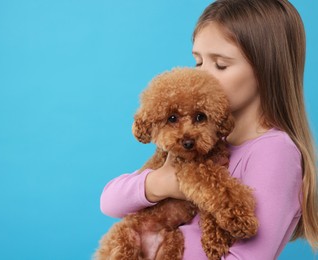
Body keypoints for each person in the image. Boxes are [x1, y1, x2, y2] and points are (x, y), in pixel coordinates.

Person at [99, 0, 318, 259]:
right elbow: (110, 202)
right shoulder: (209, 139)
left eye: (221, 65)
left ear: (265, 68)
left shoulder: (275, 152)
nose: (204, 76)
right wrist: (162, 183)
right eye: (199, 62)